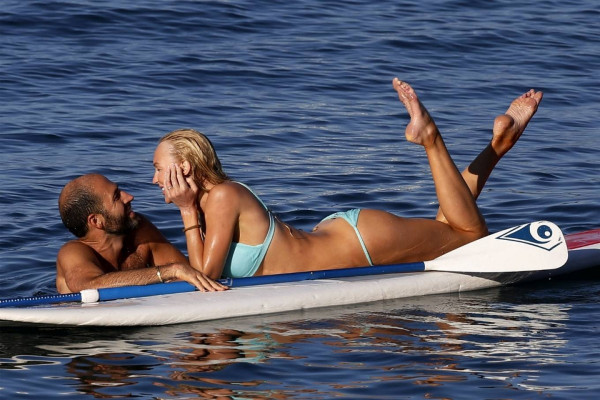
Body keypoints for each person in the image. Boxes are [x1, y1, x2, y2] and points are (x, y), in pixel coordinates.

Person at [152, 79, 543, 280]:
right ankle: (500, 144)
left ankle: (430, 138)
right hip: (342, 237)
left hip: (360, 243)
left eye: (158, 168)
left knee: (470, 239)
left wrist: (186, 211)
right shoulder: (213, 203)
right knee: (450, 227)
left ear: (184, 168)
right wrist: (190, 211)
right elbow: (202, 271)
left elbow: (205, 276)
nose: (154, 179)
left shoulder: (223, 196)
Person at [56, 174, 227, 294]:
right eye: (116, 197)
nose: (129, 197)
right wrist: (169, 272)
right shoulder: (72, 253)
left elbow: (191, 274)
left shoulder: (139, 229)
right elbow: (89, 285)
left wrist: (189, 210)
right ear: (96, 221)